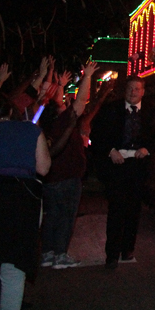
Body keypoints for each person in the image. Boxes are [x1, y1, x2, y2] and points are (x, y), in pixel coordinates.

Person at [0, 93, 51, 310]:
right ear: (10, 111)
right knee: (15, 270)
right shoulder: (31, 130)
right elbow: (44, 168)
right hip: (23, 200)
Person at [90, 76, 155, 269]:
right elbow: (95, 134)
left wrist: (147, 149)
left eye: (137, 89)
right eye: (130, 88)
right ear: (125, 90)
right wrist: (110, 151)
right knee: (116, 209)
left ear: (143, 91)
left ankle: (127, 249)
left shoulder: (151, 111)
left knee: (134, 209)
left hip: (139, 166)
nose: (133, 92)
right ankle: (112, 255)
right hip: (117, 165)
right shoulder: (112, 109)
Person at [39, 60, 98, 270]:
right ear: (59, 111)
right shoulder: (63, 121)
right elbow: (81, 101)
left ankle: (47, 253)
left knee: (52, 216)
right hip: (67, 179)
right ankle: (61, 255)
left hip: (50, 180)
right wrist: (88, 76)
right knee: (65, 217)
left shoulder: (44, 125)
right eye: (61, 102)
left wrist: (60, 84)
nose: (63, 101)